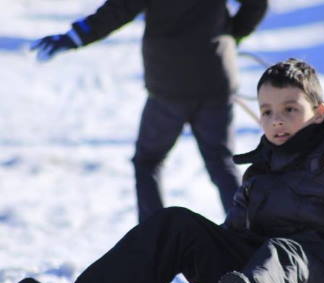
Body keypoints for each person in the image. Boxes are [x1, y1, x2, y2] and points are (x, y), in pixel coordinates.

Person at [15, 59, 324, 283]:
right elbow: (234, 236)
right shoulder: (262, 170)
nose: (277, 120)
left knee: (283, 250)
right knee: (176, 224)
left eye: (290, 110)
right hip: (259, 281)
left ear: (318, 112)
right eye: (268, 111)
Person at [30, 0, 268, 222]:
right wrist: (233, 33)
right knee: (221, 163)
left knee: (148, 162)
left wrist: (73, 37)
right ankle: (247, 237)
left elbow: (118, 10)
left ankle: (153, 243)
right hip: (215, 75)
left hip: (169, 85)